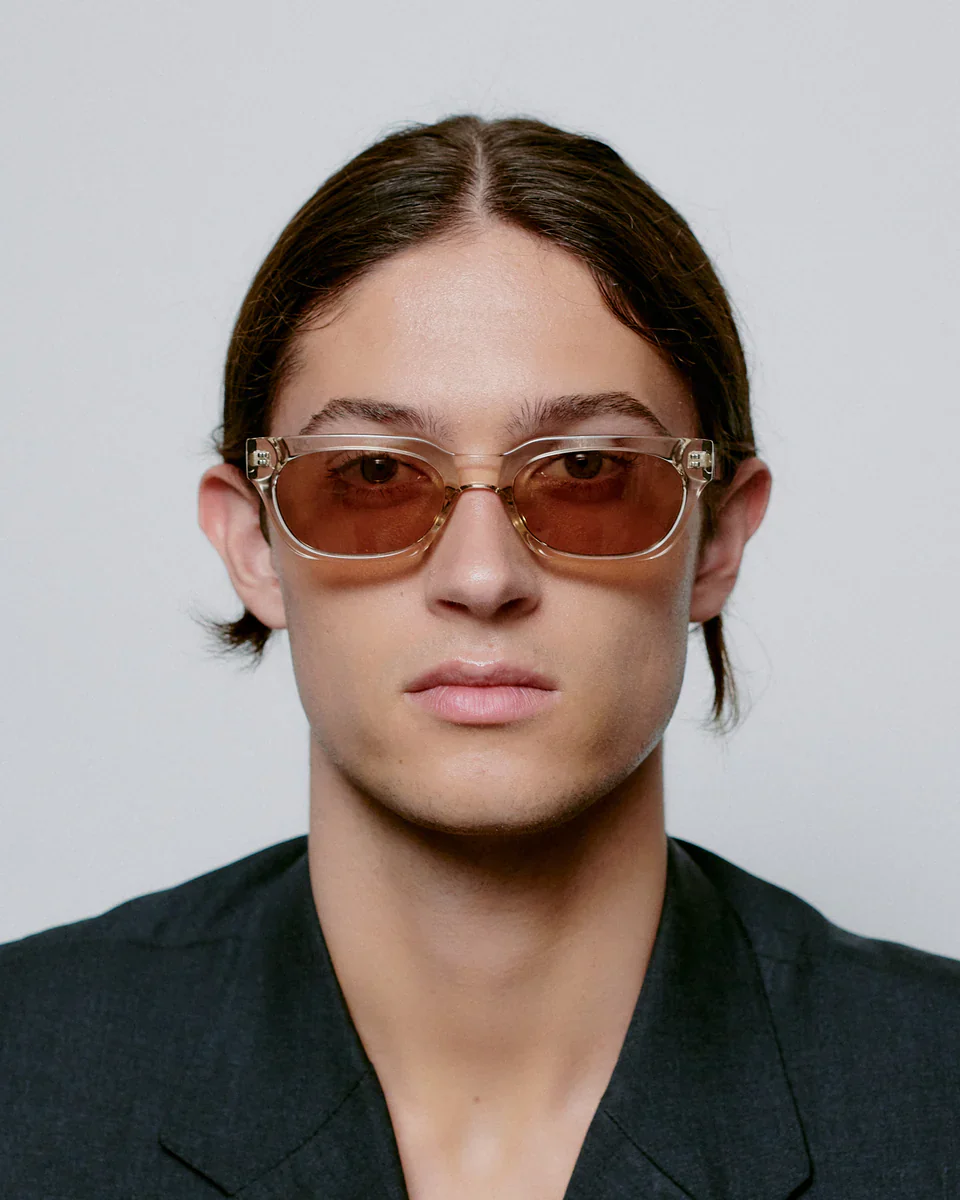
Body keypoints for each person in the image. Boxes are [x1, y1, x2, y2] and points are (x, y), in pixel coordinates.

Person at [1, 115, 957, 1200]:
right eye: (371, 474)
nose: (483, 575)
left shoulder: (932, 1096)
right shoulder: (28, 1077)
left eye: (588, 470)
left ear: (718, 539)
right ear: (253, 545)